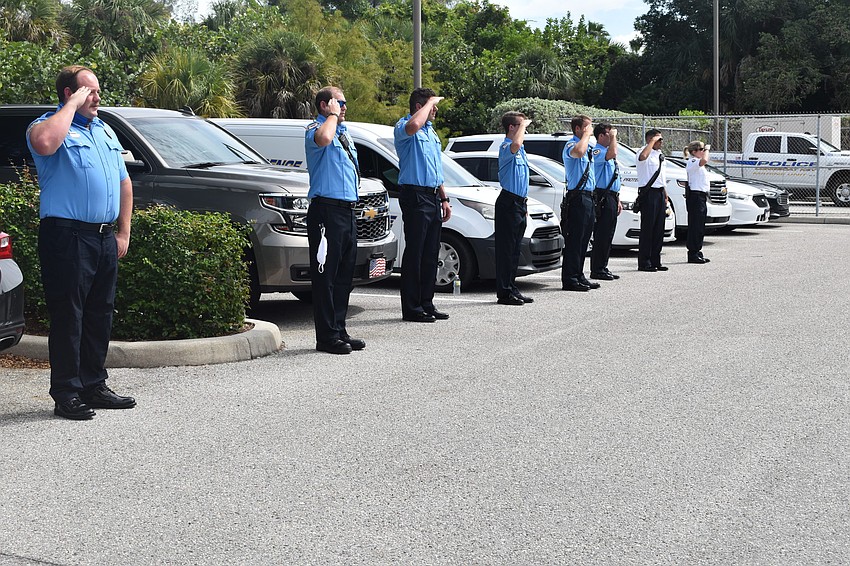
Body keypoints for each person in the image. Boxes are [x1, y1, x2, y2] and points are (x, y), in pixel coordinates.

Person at [26, 65, 135, 420]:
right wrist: (70, 107)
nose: (97, 97)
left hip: (103, 237)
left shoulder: (103, 130)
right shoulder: (46, 127)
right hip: (67, 235)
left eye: (97, 90)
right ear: (68, 94)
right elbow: (45, 144)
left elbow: (124, 182)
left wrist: (124, 231)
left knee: (99, 313)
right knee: (68, 315)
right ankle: (67, 392)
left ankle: (93, 384)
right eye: (88, 91)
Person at [304, 86, 366, 354]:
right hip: (326, 211)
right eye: (339, 103)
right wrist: (331, 116)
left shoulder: (343, 133)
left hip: (346, 211)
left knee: (343, 276)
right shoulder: (315, 130)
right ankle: (326, 337)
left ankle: (339, 330)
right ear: (323, 105)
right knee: (325, 276)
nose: (344, 107)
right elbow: (324, 138)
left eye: (344, 102)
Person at [394, 88, 452, 322]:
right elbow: (411, 127)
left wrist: (444, 198)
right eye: (432, 105)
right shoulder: (405, 126)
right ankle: (412, 307)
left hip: (432, 196)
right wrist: (428, 104)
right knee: (415, 253)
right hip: (414, 195)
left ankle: (427, 302)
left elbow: (435, 169)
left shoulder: (430, 132)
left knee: (430, 253)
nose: (435, 110)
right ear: (419, 107)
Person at [495, 111, 534, 306]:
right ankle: (504, 292)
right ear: (512, 127)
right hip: (508, 202)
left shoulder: (521, 150)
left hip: (519, 202)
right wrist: (522, 127)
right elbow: (515, 144)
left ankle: (512, 287)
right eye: (521, 126)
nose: (525, 129)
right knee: (506, 249)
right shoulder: (505, 146)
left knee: (515, 250)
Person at [560, 115, 599, 292]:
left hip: (589, 196)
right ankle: (570, 278)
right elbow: (578, 153)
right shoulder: (571, 144)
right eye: (587, 127)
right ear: (577, 129)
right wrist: (586, 135)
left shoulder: (587, 145)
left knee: (584, 239)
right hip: (578, 197)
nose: (590, 130)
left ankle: (579, 274)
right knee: (575, 238)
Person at [589, 123, 622, 281]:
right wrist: (614, 137)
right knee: (602, 234)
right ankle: (597, 269)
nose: (612, 137)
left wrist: (618, 199)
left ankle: (603, 266)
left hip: (611, 195)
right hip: (602, 195)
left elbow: (613, 177)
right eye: (609, 134)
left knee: (608, 233)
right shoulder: (598, 151)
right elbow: (613, 152)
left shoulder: (607, 152)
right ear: (601, 136)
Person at [636, 129, 669, 272]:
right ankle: (645, 262)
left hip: (660, 192)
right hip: (648, 193)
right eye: (658, 139)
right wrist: (651, 143)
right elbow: (643, 157)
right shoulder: (643, 152)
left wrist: (665, 193)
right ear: (651, 139)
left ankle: (656, 260)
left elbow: (661, 175)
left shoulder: (660, 155)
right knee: (648, 228)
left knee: (658, 228)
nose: (661, 142)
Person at [684, 141, 711, 264]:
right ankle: (693, 253)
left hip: (701, 196)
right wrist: (707, 149)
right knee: (695, 225)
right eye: (701, 149)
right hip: (695, 196)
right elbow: (704, 160)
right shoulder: (692, 161)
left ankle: (698, 251)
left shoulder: (698, 164)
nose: (703, 151)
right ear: (694, 152)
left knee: (700, 225)